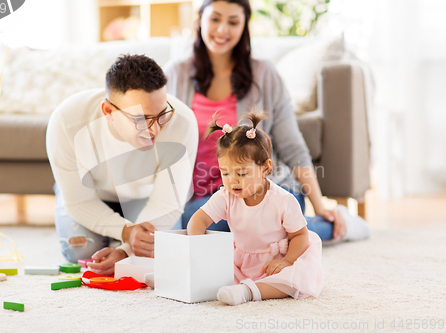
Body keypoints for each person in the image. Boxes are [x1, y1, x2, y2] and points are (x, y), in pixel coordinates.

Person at [164, 0, 370, 242]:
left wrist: (319, 203)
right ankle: (304, 230)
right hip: (208, 197)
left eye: (233, 22)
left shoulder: (264, 74)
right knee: (194, 223)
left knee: (245, 226)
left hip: (266, 192)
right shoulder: (175, 74)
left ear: (244, 27)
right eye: (215, 19)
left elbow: (293, 147)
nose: (222, 30)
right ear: (200, 20)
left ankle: (333, 224)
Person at [47, 55, 198, 275]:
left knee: (157, 250)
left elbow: (167, 203)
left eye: (161, 114)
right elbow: (79, 201)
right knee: (82, 252)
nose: (155, 130)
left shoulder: (182, 122)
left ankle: (114, 233)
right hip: (91, 195)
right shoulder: (67, 121)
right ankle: (104, 228)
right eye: (142, 119)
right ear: (108, 111)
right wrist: (126, 231)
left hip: (145, 197)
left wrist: (127, 250)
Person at [187, 112, 323, 305]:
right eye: (225, 172)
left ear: (265, 169)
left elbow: (300, 236)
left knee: (293, 281)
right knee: (216, 271)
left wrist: (287, 261)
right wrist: (197, 249)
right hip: (241, 261)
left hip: (276, 262)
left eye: (241, 173)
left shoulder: (283, 200)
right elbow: (198, 220)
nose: (232, 180)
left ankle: (248, 293)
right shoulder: (226, 196)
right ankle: (173, 277)